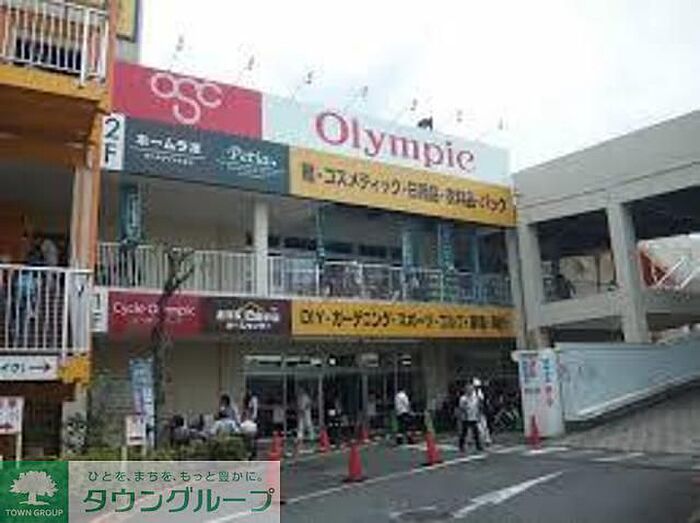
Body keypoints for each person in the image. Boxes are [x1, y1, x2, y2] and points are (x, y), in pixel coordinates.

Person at [458, 385, 483, 452]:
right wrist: (463, 413)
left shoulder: (475, 398)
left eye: (471, 390)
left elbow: (478, 407)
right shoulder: (463, 398)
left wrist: (478, 415)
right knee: (464, 432)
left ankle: (478, 446)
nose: (470, 391)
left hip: (473, 417)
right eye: (469, 390)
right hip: (466, 417)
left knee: (476, 432)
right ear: (466, 390)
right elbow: (461, 408)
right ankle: (461, 446)